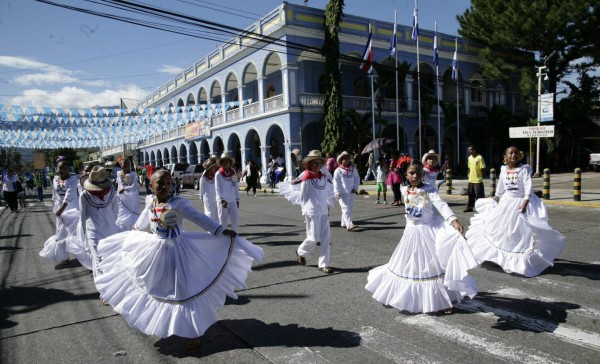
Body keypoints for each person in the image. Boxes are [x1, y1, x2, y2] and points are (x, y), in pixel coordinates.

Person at [93, 170, 263, 344]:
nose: (165, 186)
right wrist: (132, 235)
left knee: (182, 290)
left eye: (168, 182)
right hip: (155, 251)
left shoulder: (178, 204)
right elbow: (142, 222)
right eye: (160, 183)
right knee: (157, 287)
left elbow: (200, 218)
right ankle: (167, 324)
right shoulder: (151, 202)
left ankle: (192, 333)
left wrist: (220, 230)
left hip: (177, 251)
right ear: (151, 186)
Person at [365, 159, 478, 314]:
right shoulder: (405, 189)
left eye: (419, 172)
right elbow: (409, 210)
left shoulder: (429, 190)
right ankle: (400, 296)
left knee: (432, 265)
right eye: (412, 173)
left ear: (423, 174)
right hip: (411, 232)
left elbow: (441, 205)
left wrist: (453, 220)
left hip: (427, 230)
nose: (415, 175)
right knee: (409, 263)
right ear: (406, 174)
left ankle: (443, 301)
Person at [465, 146, 565, 277]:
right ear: (505, 157)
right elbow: (501, 186)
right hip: (507, 202)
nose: (513, 155)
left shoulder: (524, 170)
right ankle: (499, 257)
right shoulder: (503, 169)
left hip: (521, 202)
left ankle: (517, 259)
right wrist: (496, 197)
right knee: (501, 229)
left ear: (520, 155)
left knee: (520, 231)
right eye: (510, 153)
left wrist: (525, 202)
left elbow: (528, 187)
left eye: (516, 153)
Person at [282, 150, 336, 274]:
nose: (317, 166)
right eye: (314, 163)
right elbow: (303, 197)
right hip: (311, 211)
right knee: (314, 237)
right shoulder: (306, 178)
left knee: (326, 238)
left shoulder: (323, 177)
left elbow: (325, 194)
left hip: (323, 211)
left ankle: (323, 264)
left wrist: (327, 208)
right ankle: (301, 251)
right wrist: (305, 212)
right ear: (310, 165)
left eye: (319, 163)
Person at [79, 166, 122, 277]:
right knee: (98, 262)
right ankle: (102, 288)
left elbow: (115, 212)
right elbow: (82, 216)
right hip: (94, 234)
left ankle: (111, 286)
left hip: (111, 232)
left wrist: (111, 225)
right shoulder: (84, 195)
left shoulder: (111, 193)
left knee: (111, 260)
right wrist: (84, 237)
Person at [39, 157, 80, 269]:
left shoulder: (73, 180)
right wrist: (56, 206)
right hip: (60, 212)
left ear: (68, 169)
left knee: (76, 234)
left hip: (71, 211)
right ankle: (65, 258)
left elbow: (69, 197)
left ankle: (85, 256)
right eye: (60, 168)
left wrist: (61, 210)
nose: (62, 170)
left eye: (64, 168)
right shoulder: (55, 178)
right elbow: (55, 194)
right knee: (61, 234)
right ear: (56, 168)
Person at [333, 151, 360, 231]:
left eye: (348, 159)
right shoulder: (338, 171)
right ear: (341, 160)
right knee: (345, 208)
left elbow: (357, 178)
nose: (347, 161)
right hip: (342, 192)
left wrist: (355, 188)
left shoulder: (352, 169)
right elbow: (336, 182)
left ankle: (343, 223)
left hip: (351, 191)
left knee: (349, 208)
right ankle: (349, 224)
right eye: (345, 159)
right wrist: (337, 192)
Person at [215, 152, 240, 232]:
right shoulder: (218, 174)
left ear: (230, 163)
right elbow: (217, 188)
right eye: (223, 162)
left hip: (232, 199)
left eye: (227, 161)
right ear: (221, 163)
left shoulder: (233, 173)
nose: (225, 163)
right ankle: (222, 239)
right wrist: (221, 199)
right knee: (223, 222)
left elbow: (235, 186)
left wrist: (237, 199)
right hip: (223, 201)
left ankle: (235, 237)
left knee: (235, 220)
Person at [115, 158, 141, 231]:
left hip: (132, 197)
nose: (126, 165)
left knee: (132, 214)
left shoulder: (133, 174)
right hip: (121, 197)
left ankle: (132, 229)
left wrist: (125, 189)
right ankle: (122, 230)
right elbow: (119, 184)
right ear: (120, 164)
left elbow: (134, 186)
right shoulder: (118, 173)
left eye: (128, 163)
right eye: (124, 163)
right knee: (121, 214)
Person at [464, 145, 486, 212]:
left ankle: (481, 208)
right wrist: (468, 175)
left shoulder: (479, 157)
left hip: (478, 180)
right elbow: (469, 168)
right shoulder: (469, 158)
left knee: (479, 196)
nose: (470, 151)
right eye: (469, 150)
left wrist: (481, 176)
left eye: (471, 150)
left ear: (475, 150)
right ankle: (470, 207)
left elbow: (483, 168)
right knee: (470, 194)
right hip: (471, 180)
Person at [199, 157, 219, 221]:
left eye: (215, 167)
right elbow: (201, 187)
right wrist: (201, 195)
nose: (214, 168)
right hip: (207, 198)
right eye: (213, 167)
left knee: (216, 214)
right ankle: (210, 230)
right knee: (209, 214)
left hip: (215, 198)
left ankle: (216, 229)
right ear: (209, 168)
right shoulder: (204, 177)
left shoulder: (215, 176)